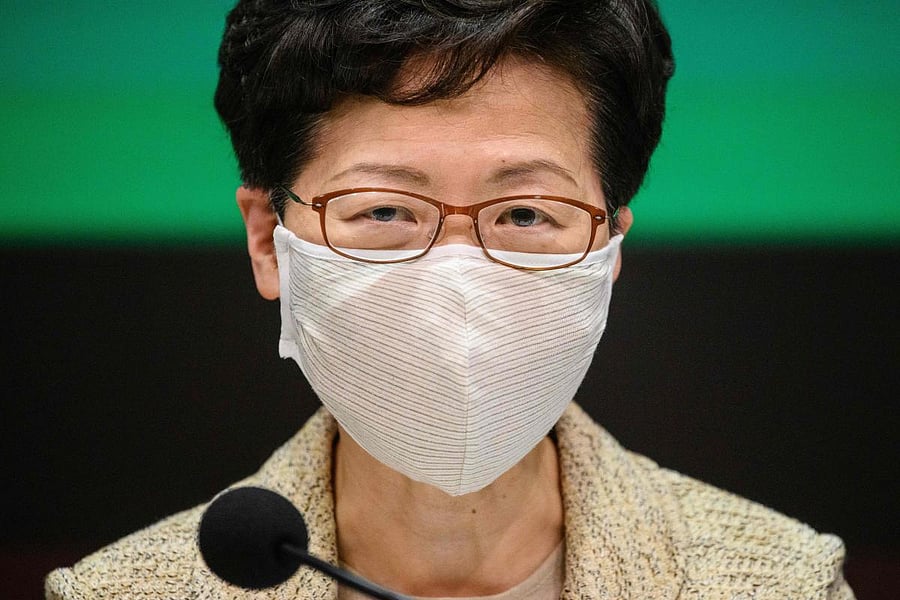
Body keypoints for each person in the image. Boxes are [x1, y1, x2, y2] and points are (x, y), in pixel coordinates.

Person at [45, 1, 854, 598]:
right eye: (386, 211)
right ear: (269, 239)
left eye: (527, 213)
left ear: (611, 244)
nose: (457, 287)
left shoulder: (783, 582)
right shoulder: (120, 593)